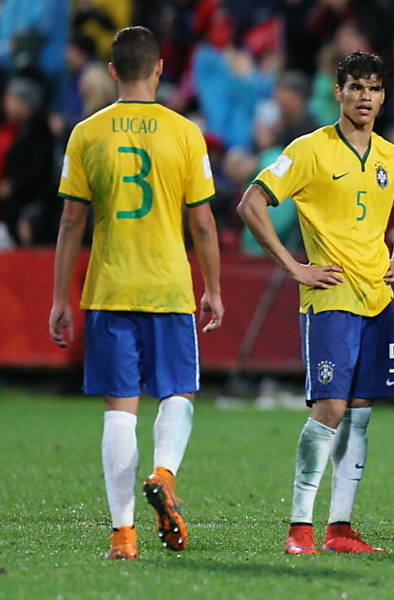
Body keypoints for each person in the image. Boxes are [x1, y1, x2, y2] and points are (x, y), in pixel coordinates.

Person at [49, 26, 223, 561]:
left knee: (119, 410)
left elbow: (71, 220)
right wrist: (212, 287)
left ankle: (123, 536)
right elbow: (203, 223)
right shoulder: (185, 133)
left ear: (111, 70)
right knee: (177, 393)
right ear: (159, 69)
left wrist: (60, 298)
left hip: (109, 287)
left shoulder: (86, 133)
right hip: (168, 286)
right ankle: (163, 474)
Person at [237, 51, 394, 555]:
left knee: (359, 414)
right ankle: (300, 528)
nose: (365, 97)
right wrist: (293, 266)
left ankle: (340, 528)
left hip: (376, 299)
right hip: (331, 297)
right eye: (356, 87)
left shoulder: (390, 156)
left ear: (384, 96)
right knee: (331, 407)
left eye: (374, 88)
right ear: (338, 92)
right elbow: (251, 202)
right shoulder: (309, 150)